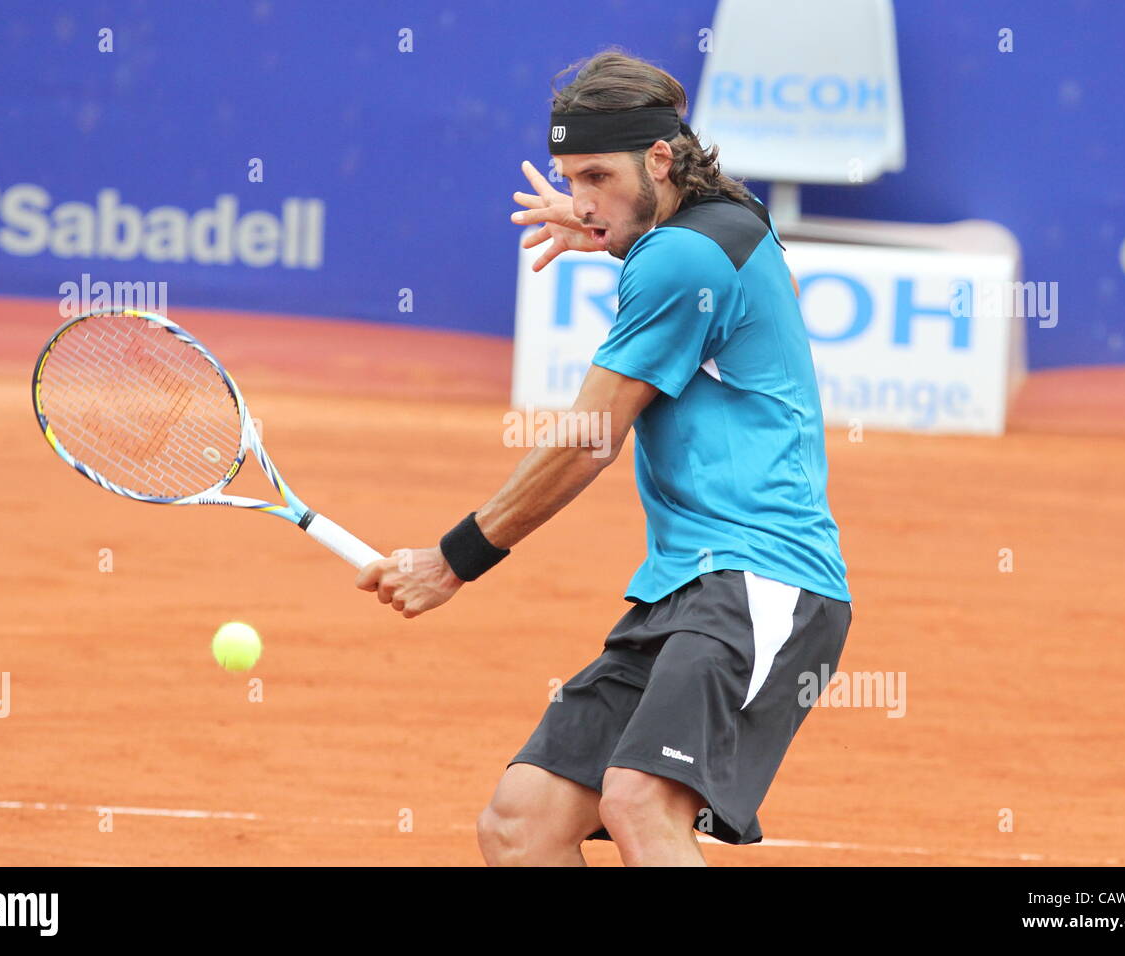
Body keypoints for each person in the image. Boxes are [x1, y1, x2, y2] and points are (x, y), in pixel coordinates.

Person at [357, 50, 851, 866]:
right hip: (685, 588)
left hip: (761, 578)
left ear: (660, 159)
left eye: (596, 176)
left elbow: (590, 440)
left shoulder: (679, 258)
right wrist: (613, 229)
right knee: (523, 824)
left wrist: (454, 559)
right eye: (568, 178)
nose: (582, 199)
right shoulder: (726, 217)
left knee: (639, 802)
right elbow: (690, 267)